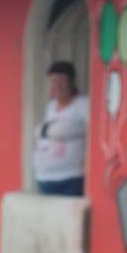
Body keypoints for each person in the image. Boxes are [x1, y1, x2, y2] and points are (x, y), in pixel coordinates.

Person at [32, 60, 88, 196]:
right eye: (53, 81)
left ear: (72, 81)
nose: (56, 86)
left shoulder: (83, 104)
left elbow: (91, 135)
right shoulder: (51, 106)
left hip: (70, 180)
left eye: (61, 81)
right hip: (44, 179)